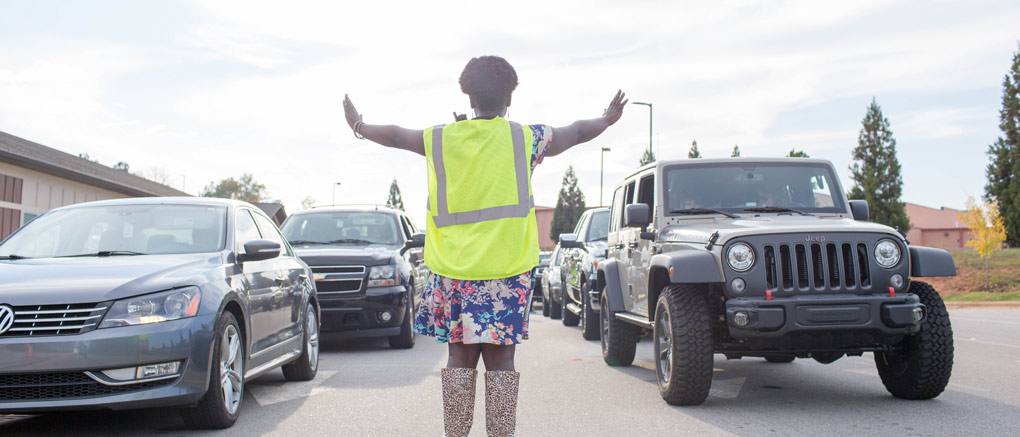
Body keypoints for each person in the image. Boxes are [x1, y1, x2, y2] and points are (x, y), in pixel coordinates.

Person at [342, 55, 626, 437]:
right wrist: (606, 121)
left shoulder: (441, 138)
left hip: (454, 270)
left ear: (467, 95)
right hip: (507, 271)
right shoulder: (524, 137)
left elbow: (395, 135)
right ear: (510, 98)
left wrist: (358, 125)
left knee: (459, 356)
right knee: (501, 359)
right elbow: (574, 132)